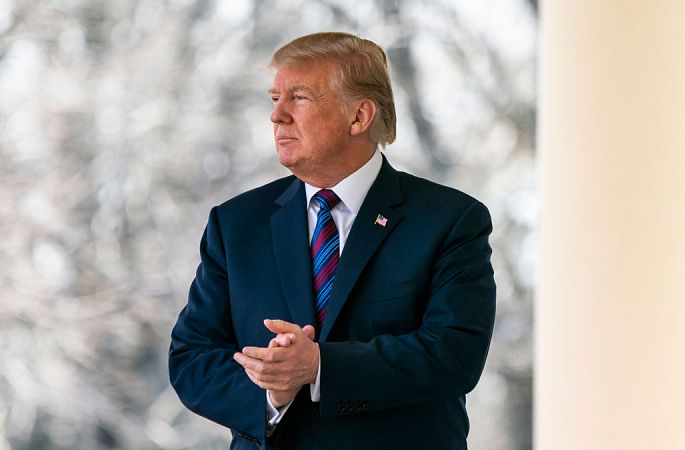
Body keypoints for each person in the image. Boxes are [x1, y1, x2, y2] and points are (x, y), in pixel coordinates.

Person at [168, 32, 496, 450]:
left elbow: (454, 353)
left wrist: (319, 366)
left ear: (359, 117)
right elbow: (191, 358)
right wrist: (272, 392)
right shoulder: (235, 224)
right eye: (275, 98)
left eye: (299, 98)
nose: (277, 116)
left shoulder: (451, 220)